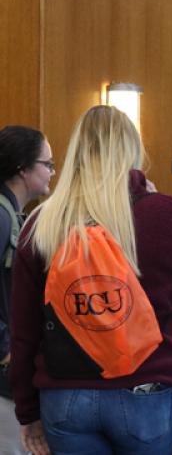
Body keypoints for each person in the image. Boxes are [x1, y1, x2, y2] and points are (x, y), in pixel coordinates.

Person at [10, 105, 172, 455]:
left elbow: (24, 330)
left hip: (65, 394)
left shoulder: (41, 223)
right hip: (148, 389)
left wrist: (27, 411)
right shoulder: (164, 213)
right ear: (131, 151)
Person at [0, 125, 55, 455]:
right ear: (23, 168)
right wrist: (4, 347)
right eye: (47, 164)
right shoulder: (2, 217)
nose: (52, 172)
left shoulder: (16, 216)